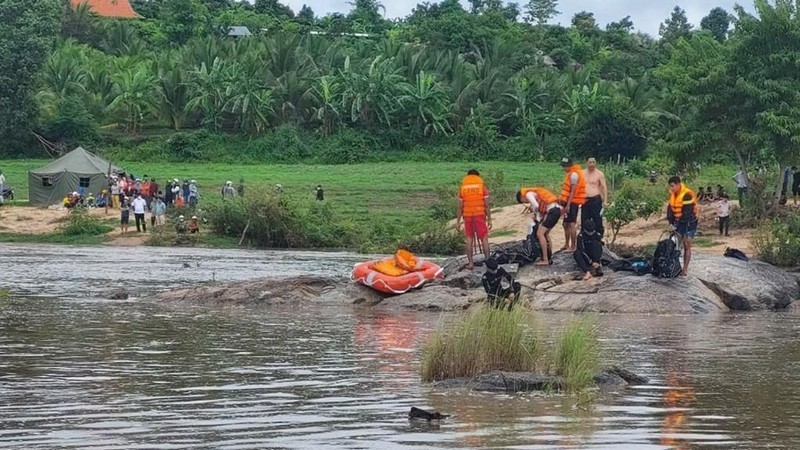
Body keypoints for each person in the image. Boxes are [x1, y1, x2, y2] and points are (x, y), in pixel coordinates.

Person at [517, 187, 562, 266]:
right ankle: (549, 255)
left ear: (521, 196)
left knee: (540, 234)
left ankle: (545, 259)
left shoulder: (528, 194)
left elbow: (536, 205)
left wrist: (534, 211)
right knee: (545, 234)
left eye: (523, 201)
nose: (526, 202)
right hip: (557, 210)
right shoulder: (535, 193)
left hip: (552, 211)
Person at [457, 169, 491, 270]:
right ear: (478, 176)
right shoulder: (482, 188)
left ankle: (471, 263)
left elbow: (460, 207)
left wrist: (458, 222)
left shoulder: (463, 189)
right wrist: (489, 219)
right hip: (480, 215)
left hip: (467, 216)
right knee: (484, 238)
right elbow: (487, 205)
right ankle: (488, 262)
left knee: (469, 239)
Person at [667, 176, 699, 276]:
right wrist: (671, 223)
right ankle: (675, 267)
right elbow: (670, 209)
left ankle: (685, 269)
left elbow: (687, 213)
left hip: (689, 223)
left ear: (678, 184)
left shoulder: (687, 195)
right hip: (678, 222)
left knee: (686, 245)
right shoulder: (673, 194)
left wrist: (678, 226)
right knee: (674, 244)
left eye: (673, 186)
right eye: (670, 186)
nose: (671, 188)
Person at [559, 157, 587, 254]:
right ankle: (567, 244)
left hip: (573, 202)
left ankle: (573, 246)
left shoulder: (574, 175)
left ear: (568, 166)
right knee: (565, 224)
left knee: (571, 224)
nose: (563, 168)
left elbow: (573, 191)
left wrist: (568, 204)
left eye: (564, 166)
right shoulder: (571, 174)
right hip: (569, 202)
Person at [582, 157, 608, 239]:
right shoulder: (582, 173)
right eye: (590, 162)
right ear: (587, 163)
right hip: (585, 200)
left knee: (597, 220)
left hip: (595, 200)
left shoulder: (599, 174)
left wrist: (605, 200)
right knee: (585, 220)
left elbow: (604, 187)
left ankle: (599, 238)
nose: (592, 164)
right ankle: (585, 238)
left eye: (593, 162)